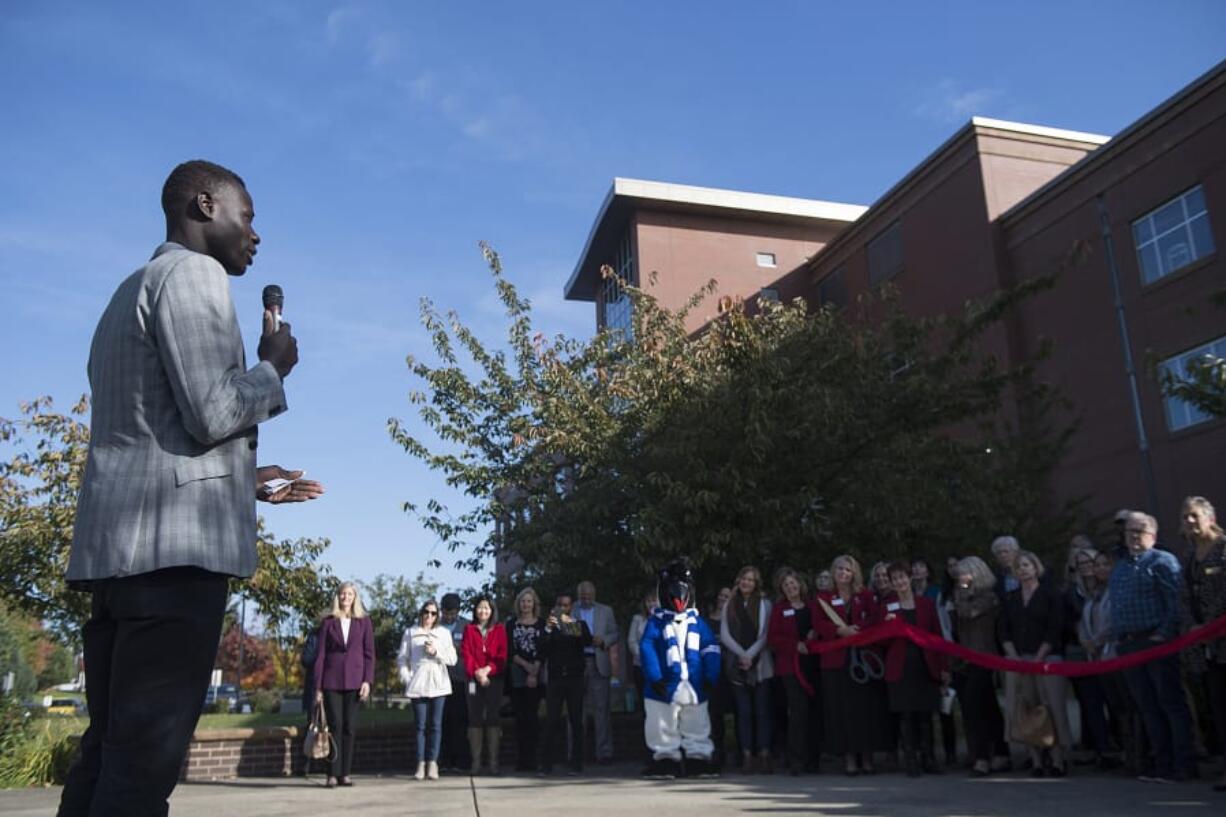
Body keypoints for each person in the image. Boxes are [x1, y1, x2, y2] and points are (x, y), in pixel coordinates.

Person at [57, 160, 323, 817]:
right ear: (205, 205)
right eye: (248, 215)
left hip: (119, 560)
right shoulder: (193, 275)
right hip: (174, 563)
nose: (255, 234)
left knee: (111, 753)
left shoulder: (126, 293)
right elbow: (210, 408)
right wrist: (273, 367)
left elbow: (157, 431)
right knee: (142, 771)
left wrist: (246, 480)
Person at [1111, 511, 1197, 783]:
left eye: (1140, 531)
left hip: (1156, 642)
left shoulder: (1163, 561)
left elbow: (1175, 601)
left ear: (1153, 535)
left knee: (1170, 703)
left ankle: (1183, 765)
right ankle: (1161, 764)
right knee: (1147, 706)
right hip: (1129, 644)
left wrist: (1163, 634)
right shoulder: (1122, 565)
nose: (1134, 536)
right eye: (1129, 531)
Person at [640, 560, 722, 779]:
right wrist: (655, 676)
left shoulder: (698, 623)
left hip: (694, 684)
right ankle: (666, 760)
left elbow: (710, 648)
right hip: (664, 685)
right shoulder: (655, 623)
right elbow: (646, 648)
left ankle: (698, 759)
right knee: (661, 722)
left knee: (697, 722)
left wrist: (710, 675)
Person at [812, 554, 891, 776]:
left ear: (854, 573)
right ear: (834, 572)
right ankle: (848, 758)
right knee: (841, 711)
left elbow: (875, 619)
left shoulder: (864, 595)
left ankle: (866, 757)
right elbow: (818, 624)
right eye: (840, 569)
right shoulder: (824, 598)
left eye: (848, 570)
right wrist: (839, 631)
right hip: (836, 662)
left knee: (864, 710)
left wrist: (857, 629)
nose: (844, 573)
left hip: (862, 660)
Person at [998, 550, 1073, 776]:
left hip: (1047, 658)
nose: (1023, 570)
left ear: (1035, 567)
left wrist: (1039, 658)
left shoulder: (1051, 594)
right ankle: (1036, 760)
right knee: (1025, 709)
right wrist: (1014, 657)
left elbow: (1054, 628)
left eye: (1026, 565)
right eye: (1019, 567)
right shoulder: (1011, 598)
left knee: (1052, 708)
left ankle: (1058, 760)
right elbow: (1003, 630)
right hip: (1019, 659)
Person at [881, 560, 948, 776]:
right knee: (906, 716)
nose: (899, 581)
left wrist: (943, 667)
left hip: (925, 665)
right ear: (890, 583)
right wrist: (887, 627)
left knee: (926, 716)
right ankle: (910, 760)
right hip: (900, 668)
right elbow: (880, 642)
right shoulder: (887, 606)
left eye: (902, 577)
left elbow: (937, 636)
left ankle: (928, 758)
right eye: (895, 579)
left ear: (909, 578)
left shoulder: (925, 604)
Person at [1179, 496, 1226, 792]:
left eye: (1194, 516)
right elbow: (1183, 597)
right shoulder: (1189, 556)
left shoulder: (1223, 549)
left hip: (1222, 638)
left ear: (1210, 517)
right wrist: (1194, 629)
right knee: (1218, 706)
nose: (1190, 522)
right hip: (1204, 646)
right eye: (1185, 517)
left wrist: (1213, 626)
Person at [313, 582, 375, 788]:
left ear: (355, 597)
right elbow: (320, 655)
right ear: (337, 597)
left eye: (349, 594)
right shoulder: (328, 622)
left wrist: (367, 681)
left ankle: (345, 773)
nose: (346, 598)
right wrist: (318, 687)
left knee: (349, 727)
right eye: (342, 594)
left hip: (355, 681)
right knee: (335, 726)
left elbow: (369, 654)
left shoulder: (364, 622)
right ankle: (332, 773)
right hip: (331, 681)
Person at [952, 556, 1010, 776]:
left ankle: (983, 757)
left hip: (985, 657)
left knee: (977, 706)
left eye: (964, 573)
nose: (960, 578)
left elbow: (967, 612)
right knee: (987, 707)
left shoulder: (988, 597)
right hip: (968, 657)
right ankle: (1000, 754)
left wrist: (963, 591)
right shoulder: (964, 596)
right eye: (959, 575)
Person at [721, 565, 774, 774]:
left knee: (762, 711)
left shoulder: (765, 604)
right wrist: (742, 655)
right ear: (738, 580)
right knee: (743, 713)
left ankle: (764, 754)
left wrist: (750, 655)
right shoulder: (729, 605)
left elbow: (765, 634)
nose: (747, 583)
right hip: (737, 665)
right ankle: (746, 756)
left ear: (756, 583)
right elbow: (725, 635)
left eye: (751, 580)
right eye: (744, 579)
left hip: (760, 664)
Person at [398, 599, 457, 781]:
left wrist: (436, 652)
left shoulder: (444, 633)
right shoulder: (411, 632)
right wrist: (407, 678)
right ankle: (420, 763)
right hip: (418, 682)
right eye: (426, 612)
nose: (429, 616)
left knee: (435, 725)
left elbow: (452, 659)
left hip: (438, 682)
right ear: (421, 613)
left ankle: (433, 762)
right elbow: (402, 658)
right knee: (420, 726)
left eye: (433, 613)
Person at [767, 568, 819, 774]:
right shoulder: (779, 609)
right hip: (790, 666)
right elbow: (773, 638)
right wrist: (794, 645)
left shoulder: (813, 605)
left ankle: (813, 759)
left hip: (813, 665)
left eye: (793, 583)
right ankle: (796, 759)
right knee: (798, 713)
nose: (791, 587)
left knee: (814, 713)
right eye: (786, 585)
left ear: (800, 584)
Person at [539, 593, 593, 775]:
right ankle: (547, 764)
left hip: (574, 678)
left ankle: (576, 763)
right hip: (555, 678)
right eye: (560, 605)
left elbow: (586, 639)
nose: (564, 608)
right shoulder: (549, 628)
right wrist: (548, 629)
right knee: (551, 720)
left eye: (567, 605)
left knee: (576, 720)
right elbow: (541, 648)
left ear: (571, 607)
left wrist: (565, 624)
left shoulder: (578, 625)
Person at [574, 580, 619, 765]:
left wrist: (604, 641)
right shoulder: (571, 610)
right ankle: (576, 752)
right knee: (576, 710)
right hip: (577, 662)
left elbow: (615, 633)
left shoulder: (605, 611)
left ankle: (604, 753)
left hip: (598, 660)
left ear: (594, 595)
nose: (586, 599)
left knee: (602, 709)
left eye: (589, 596)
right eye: (583, 596)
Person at [462, 596, 508, 775]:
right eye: (480, 608)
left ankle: (493, 762)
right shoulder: (469, 629)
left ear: (492, 610)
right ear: (475, 610)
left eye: (486, 608)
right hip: (473, 680)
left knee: (493, 717)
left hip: (494, 679)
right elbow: (466, 654)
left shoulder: (499, 629)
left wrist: (488, 670)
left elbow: (502, 655)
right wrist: (477, 673)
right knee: (475, 718)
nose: (483, 611)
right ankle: (476, 762)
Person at [507, 587, 545, 772]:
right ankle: (522, 760)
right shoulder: (511, 624)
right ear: (518, 604)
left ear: (534, 603)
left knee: (532, 718)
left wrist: (534, 670)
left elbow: (544, 649)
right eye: (523, 601)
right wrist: (525, 666)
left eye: (529, 601)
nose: (526, 604)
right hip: (517, 674)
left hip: (536, 675)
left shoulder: (542, 624)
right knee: (520, 718)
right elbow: (510, 651)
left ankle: (533, 759)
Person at [438, 592, 471, 772]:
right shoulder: (436, 625)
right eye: (446, 612)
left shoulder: (465, 625)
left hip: (459, 678)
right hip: (440, 679)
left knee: (460, 719)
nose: (449, 616)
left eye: (453, 613)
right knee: (443, 720)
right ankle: (445, 760)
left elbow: (471, 649)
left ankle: (461, 760)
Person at [704, 587, 734, 768]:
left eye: (728, 596)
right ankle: (716, 753)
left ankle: (738, 754)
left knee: (735, 713)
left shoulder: (734, 620)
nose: (723, 598)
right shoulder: (706, 621)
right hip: (713, 671)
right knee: (714, 714)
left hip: (731, 670)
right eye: (721, 595)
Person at [628, 589, 659, 759]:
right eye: (648, 601)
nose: (651, 605)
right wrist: (645, 655)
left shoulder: (665, 619)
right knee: (646, 709)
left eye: (654, 601)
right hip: (641, 667)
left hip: (660, 670)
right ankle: (647, 750)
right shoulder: (638, 619)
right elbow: (632, 641)